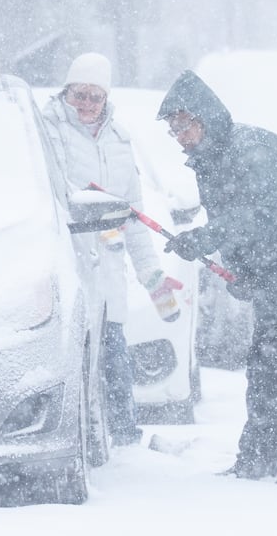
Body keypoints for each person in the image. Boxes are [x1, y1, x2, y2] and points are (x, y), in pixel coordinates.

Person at [156, 70, 277, 484]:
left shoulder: (254, 151)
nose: (179, 135)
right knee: (268, 375)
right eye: (173, 129)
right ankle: (255, 464)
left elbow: (259, 217)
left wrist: (204, 239)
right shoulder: (210, 159)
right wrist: (245, 272)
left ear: (205, 118)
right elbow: (247, 229)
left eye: (183, 125)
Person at [39, 52, 184, 447]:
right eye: (79, 95)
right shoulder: (45, 132)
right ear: (66, 91)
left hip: (108, 277)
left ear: (106, 99)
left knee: (114, 363)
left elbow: (133, 217)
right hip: (67, 272)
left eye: (95, 97)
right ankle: (73, 441)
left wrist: (153, 277)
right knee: (70, 368)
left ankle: (124, 443)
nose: (86, 104)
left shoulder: (120, 140)